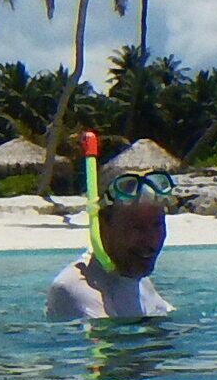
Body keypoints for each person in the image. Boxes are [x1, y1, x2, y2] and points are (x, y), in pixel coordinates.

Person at [48, 134, 175, 321]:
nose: (152, 240)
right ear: (102, 225)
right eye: (136, 227)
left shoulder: (138, 279)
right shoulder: (72, 288)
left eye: (157, 225)